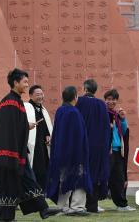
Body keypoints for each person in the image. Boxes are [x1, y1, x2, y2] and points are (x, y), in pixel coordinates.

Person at [0, 68, 61, 221]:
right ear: (15, 82)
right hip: (8, 154)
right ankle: (35, 210)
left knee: (15, 184)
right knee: (12, 185)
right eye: (25, 82)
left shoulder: (15, 101)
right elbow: (8, 129)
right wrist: (15, 150)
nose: (27, 85)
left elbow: (15, 126)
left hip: (13, 153)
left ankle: (35, 211)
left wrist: (26, 126)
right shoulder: (10, 102)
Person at [45, 86, 92, 216]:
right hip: (75, 153)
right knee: (80, 179)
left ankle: (62, 207)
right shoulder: (74, 113)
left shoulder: (60, 111)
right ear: (75, 97)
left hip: (61, 152)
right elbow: (78, 136)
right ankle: (77, 207)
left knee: (64, 179)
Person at [75, 79, 111, 213]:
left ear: (84, 88)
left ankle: (78, 205)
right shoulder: (101, 104)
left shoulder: (79, 102)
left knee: (81, 173)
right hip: (98, 147)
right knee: (95, 175)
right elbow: (107, 128)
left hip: (83, 145)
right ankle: (92, 206)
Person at [104, 89, 134, 212]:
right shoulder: (103, 114)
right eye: (109, 99)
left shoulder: (116, 115)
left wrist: (122, 119)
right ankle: (92, 204)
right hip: (107, 151)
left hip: (118, 151)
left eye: (113, 99)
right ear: (105, 100)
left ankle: (121, 204)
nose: (111, 101)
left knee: (119, 179)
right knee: (103, 178)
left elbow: (124, 131)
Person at [25, 85, 53, 191]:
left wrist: (48, 135)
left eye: (42, 94)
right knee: (35, 169)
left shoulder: (43, 109)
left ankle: (41, 193)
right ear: (31, 95)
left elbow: (47, 126)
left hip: (43, 145)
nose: (40, 96)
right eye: (37, 94)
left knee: (44, 169)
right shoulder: (27, 108)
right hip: (32, 144)